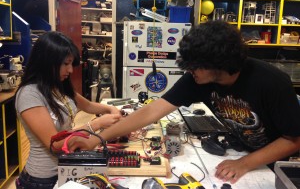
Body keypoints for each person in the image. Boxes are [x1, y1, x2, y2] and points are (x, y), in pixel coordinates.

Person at [68, 21, 300, 184]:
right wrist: (95, 140)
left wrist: (246, 163)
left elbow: (294, 140)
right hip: (240, 155)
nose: (189, 71)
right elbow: (151, 112)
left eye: (195, 65)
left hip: (271, 166)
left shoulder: (271, 82)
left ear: (218, 62)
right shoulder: (198, 79)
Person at [15, 31, 122, 189]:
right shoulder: (29, 95)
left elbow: (89, 106)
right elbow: (55, 143)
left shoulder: (58, 86)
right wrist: (96, 124)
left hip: (66, 168)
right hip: (42, 180)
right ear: (47, 61)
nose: (71, 70)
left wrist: (111, 109)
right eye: (66, 64)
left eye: (71, 64)